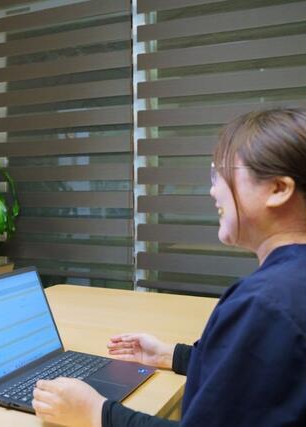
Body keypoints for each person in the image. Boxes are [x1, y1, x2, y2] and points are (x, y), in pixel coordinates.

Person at [32, 108, 306, 426]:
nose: (213, 190)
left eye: (221, 173)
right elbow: (258, 371)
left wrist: (97, 412)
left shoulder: (265, 305)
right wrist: (169, 355)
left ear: (278, 189)